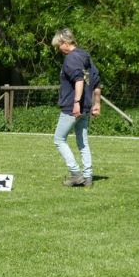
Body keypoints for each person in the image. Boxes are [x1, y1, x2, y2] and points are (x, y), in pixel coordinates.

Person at [51, 28, 100, 188]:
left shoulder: (71, 58)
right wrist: (97, 104)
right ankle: (88, 177)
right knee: (82, 142)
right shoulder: (85, 56)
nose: (59, 49)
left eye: (59, 45)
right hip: (86, 106)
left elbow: (79, 80)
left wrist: (76, 103)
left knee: (59, 139)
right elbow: (96, 81)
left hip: (73, 107)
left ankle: (75, 173)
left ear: (65, 42)